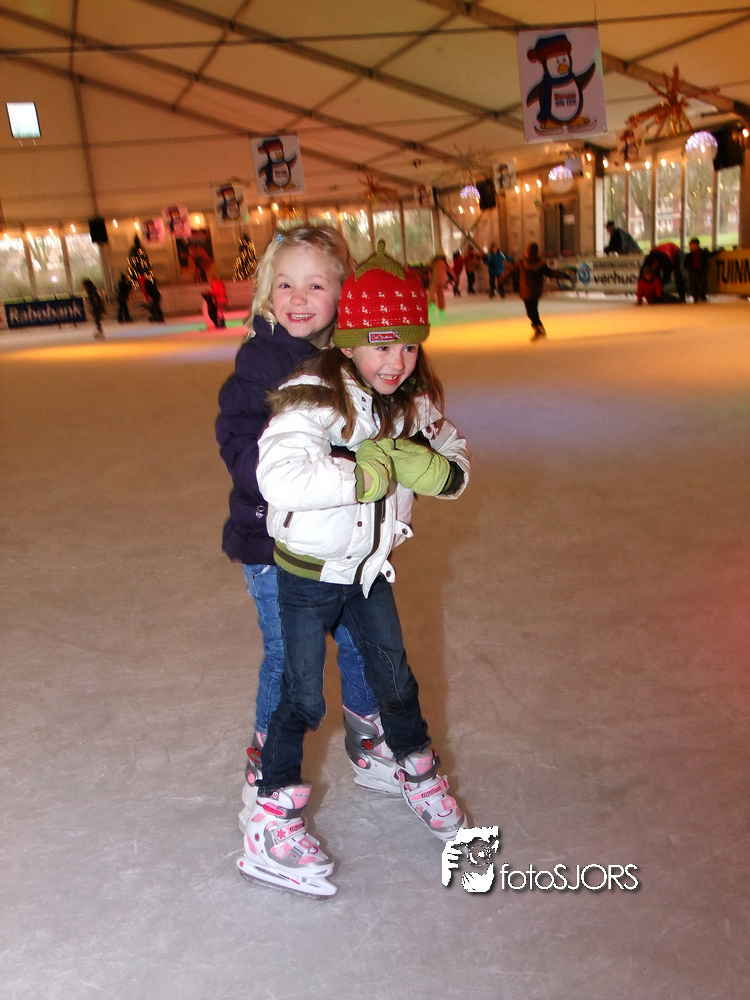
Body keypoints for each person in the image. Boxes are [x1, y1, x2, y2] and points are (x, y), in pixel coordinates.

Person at [239, 241, 471, 896]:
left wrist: (440, 471)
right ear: (348, 341)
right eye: (380, 345)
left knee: (395, 678)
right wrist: (356, 476)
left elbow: (455, 452)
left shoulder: (411, 403)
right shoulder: (315, 394)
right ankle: (271, 818)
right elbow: (277, 473)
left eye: (409, 346)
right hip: (309, 575)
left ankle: (416, 770)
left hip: (368, 573)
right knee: (302, 695)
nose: (396, 362)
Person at [216, 227, 400, 839]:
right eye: (285, 284)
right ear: (267, 292)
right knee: (290, 660)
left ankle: (369, 741)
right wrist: (291, 480)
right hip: (273, 545)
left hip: (334, 543)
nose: (298, 298)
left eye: (316, 285)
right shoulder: (262, 362)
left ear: (342, 293)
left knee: (357, 641)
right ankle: (266, 770)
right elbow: (238, 440)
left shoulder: (344, 360)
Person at [501, 242, 569, 342]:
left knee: (531, 312)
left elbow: (510, 272)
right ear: (536, 252)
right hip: (536, 291)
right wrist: (563, 275)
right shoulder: (541, 264)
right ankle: (539, 329)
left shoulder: (521, 263)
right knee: (533, 311)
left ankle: (539, 330)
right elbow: (551, 272)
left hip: (526, 291)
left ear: (527, 252)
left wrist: (501, 280)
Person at [683, 237, 711, 302]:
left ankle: (702, 295)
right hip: (693, 271)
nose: (691, 247)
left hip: (701, 270)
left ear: (697, 245)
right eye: (690, 245)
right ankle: (695, 296)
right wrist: (689, 269)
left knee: (703, 283)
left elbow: (710, 254)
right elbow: (685, 264)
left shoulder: (702, 253)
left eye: (692, 245)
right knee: (693, 284)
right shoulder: (689, 255)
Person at [427, 248, 454, 314]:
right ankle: (441, 308)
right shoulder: (445, 263)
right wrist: (455, 277)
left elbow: (428, 267)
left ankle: (432, 304)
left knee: (432, 292)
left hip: (435, 279)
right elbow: (450, 270)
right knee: (440, 295)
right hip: (442, 280)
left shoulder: (434, 261)